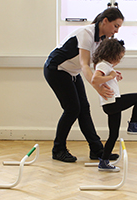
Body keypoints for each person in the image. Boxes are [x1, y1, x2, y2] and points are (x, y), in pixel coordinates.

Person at [43, 8, 124, 162]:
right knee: (72, 109)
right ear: (105, 21)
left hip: (71, 72)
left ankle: (96, 150)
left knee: (84, 109)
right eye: (116, 26)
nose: (116, 31)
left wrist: (110, 73)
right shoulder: (85, 33)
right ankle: (58, 149)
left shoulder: (100, 40)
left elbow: (98, 65)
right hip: (56, 69)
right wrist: (97, 87)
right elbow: (84, 65)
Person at [91, 38, 137, 172]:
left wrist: (113, 74)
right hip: (113, 103)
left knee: (113, 135)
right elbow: (94, 80)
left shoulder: (105, 66)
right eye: (119, 58)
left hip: (110, 104)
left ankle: (104, 162)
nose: (119, 61)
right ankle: (133, 125)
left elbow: (102, 76)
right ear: (111, 55)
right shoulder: (103, 65)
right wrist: (111, 76)